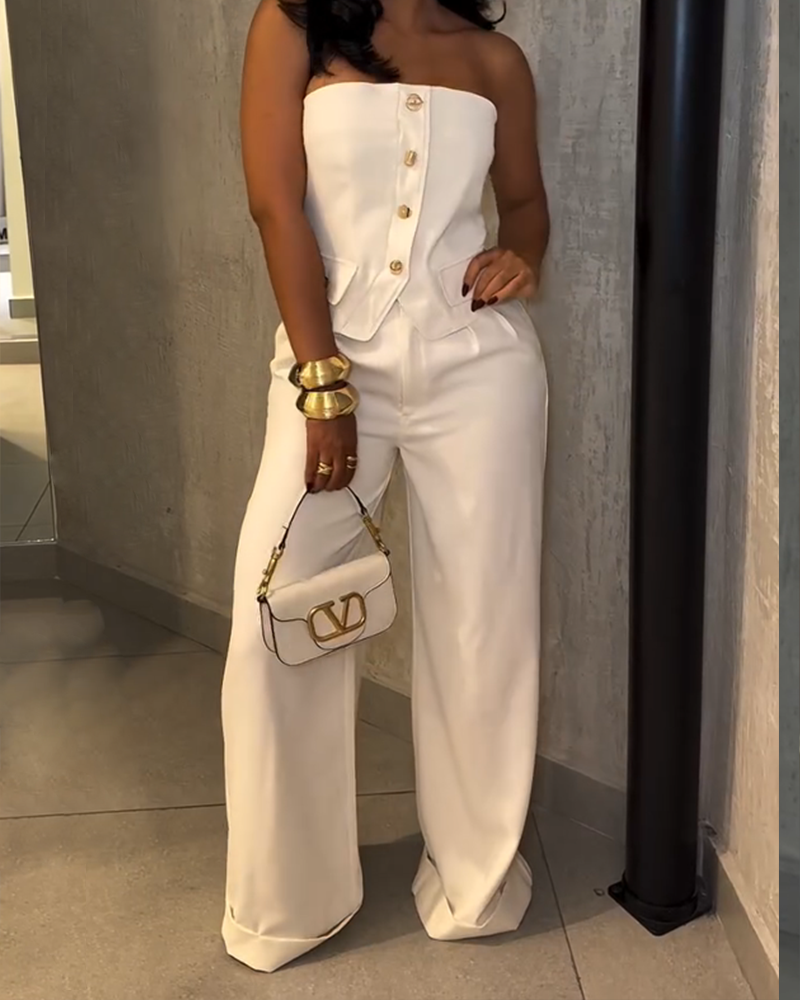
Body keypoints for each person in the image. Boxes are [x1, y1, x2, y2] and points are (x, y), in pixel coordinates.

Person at [221, 0, 550, 973]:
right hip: (331, 363)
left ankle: (474, 881)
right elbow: (274, 203)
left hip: (479, 368)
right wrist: (322, 383)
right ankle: (289, 900)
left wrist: (522, 253)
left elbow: (525, 202)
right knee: (276, 614)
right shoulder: (293, 23)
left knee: (483, 621)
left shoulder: (494, 57)